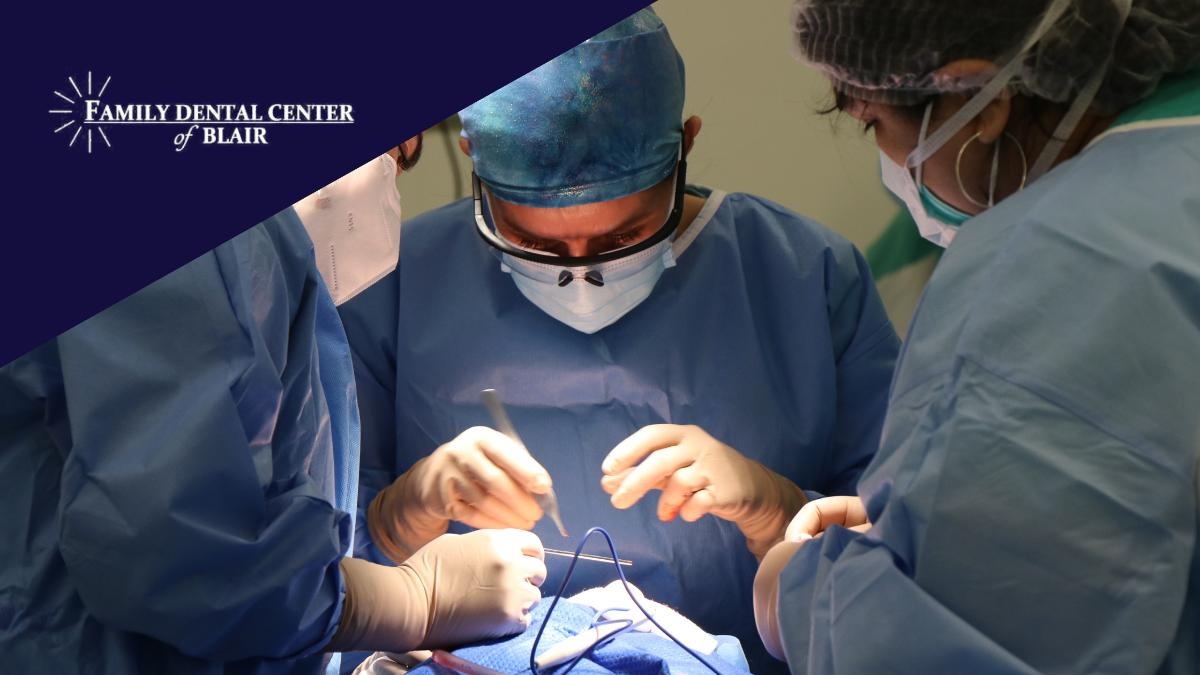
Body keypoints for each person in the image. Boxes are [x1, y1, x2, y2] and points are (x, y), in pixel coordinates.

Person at [338, 10, 898, 672]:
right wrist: (395, 521)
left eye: (623, 237)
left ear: (685, 146)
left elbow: (905, 568)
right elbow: (294, 589)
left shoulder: (806, 277)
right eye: (534, 242)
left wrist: (777, 509)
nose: (581, 273)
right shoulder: (393, 283)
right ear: (473, 164)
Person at [753, 0, 1200, 672]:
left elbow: (944, 645)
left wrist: (796, 589)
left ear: (977, 98)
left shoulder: (1057, 258)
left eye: (872, 121)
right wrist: (930, 522)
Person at [0, 139, 547, 674]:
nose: (396, 169)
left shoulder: (263, 272)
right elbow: (181, 560)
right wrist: (412, 599)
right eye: (399, 156)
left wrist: (388, 526)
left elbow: (248, 517)